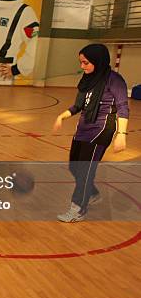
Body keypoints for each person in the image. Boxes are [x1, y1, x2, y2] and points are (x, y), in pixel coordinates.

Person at [52, 44, 129, 222]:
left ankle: (78, 209)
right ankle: (91, 192)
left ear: (97, 61)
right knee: (74, 166)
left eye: (86, 63)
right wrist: (62, 116)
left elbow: (123, 107)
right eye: (80, 62)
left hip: (101, 130)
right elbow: (79, 105)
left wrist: (121, 134)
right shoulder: (87, 80)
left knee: (86, 170)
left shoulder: (114, 80)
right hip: (83, 129)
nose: (82, 66)